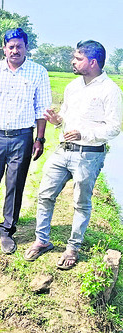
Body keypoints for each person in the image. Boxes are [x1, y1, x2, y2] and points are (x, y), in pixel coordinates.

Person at [24, 40, 122, 269]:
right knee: (45, 195)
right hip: (62, 151)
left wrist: (84, 134)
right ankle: (42, 240)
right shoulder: (73, 87)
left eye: (78, 58)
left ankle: (72, 248)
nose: (73, 62)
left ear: (93, 62)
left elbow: (114, 127)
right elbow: (65, 119)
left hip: (88, 155)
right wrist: (58, 121)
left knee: (81, 202)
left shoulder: (110, 90)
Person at [0, 28, 52, 254]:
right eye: (11, 46)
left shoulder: (38, 72)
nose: (15, 51)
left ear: (26, 48)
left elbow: (41, 109)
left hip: (22, 138)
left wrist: (39, 139)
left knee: (15, 185)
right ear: (4, 48)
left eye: (19, 46)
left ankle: (7, 231)